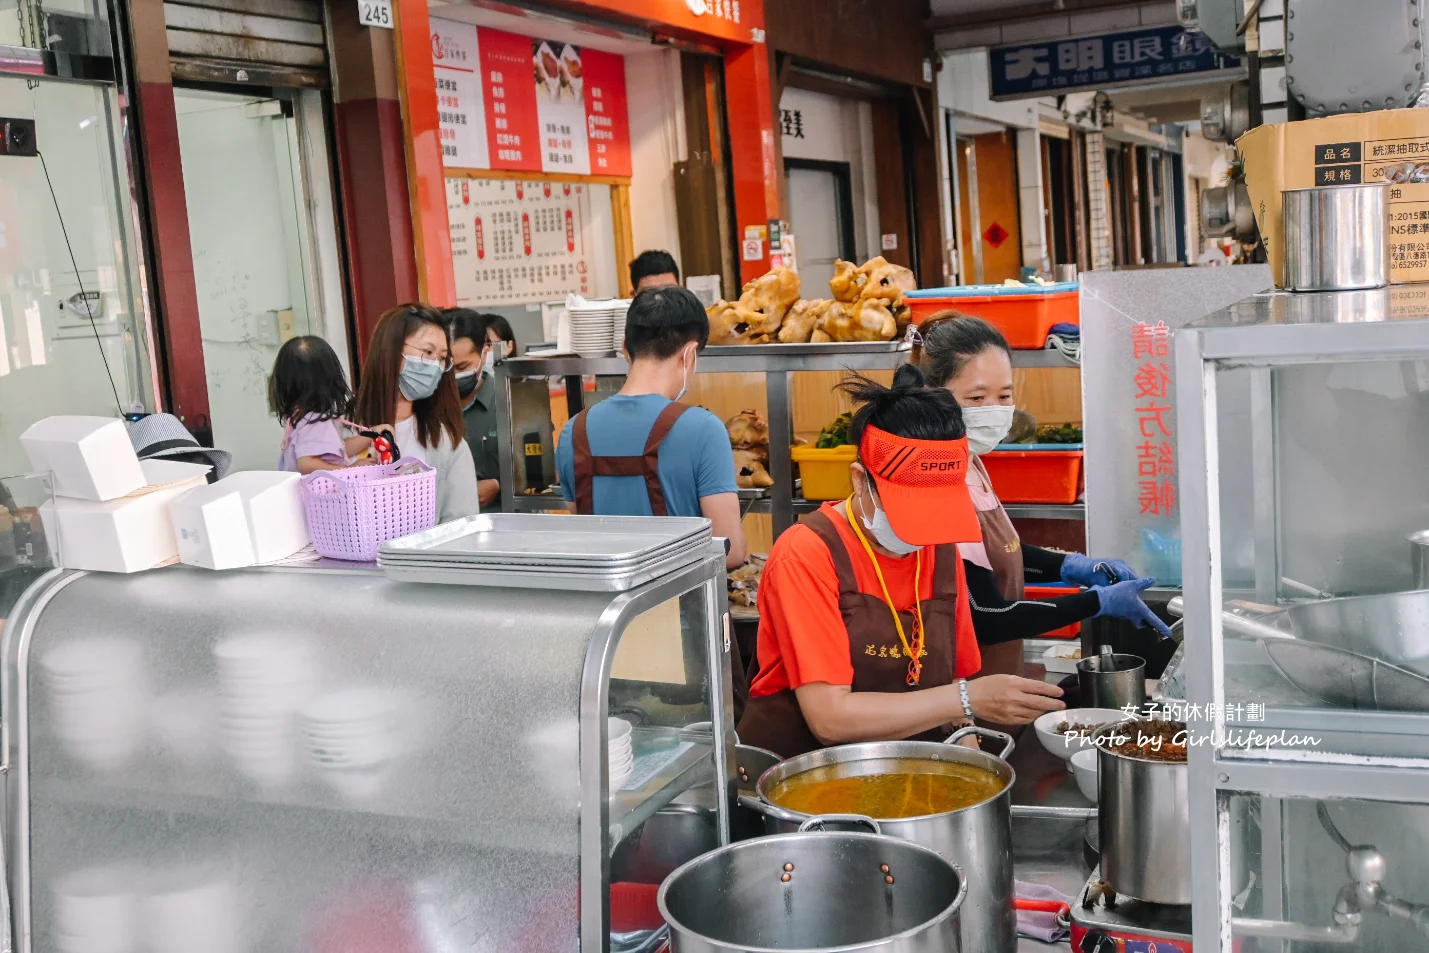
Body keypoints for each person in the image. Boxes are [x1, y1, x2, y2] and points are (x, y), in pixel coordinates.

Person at [737, 367, 1066, 758]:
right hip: (806, 783)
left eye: (938, 509)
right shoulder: (806, 554)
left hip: (910, 773)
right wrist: (966, 699)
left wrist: (969, 751)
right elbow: (830, 720)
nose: (922, 533)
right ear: (861, 480)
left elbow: (953, 676)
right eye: (910, 510)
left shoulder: (940, 545)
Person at [912, 312, 1173, 684]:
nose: (995, 409)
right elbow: (987, 613)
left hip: (998, 675)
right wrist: (1096, 603)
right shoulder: (933, 480)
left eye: (1004, 395)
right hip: (959, 686)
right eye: (976, 397)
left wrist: (1070, 566)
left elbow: (995, 553)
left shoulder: (968, 461)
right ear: (930, 395)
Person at [555, 285, 748, 569]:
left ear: (625, 348)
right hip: (679, 611)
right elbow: (728, 551)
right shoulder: (704, 429)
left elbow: (583, 529)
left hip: (605, 610)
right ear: (690, 353)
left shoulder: (573, 432)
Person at [354, 304, 481, 521]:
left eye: (442, 358)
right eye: (427, 352)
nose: (435, 365)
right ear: (392, 350)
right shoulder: (340, 429)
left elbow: (461, 525)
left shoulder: (445, 442)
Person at [268, 336, 380, 474]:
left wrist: (371, 436)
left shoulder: (300, 417)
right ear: (331, 378)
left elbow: (335, 449)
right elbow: (306, 463)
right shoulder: (315, 421)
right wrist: (350, 470)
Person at [445, 309, 503, 511]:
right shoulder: (426, 407)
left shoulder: (509, 400)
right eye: (446, 367)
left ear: (485, 351)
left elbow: (543, 475)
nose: (452, 377)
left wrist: (499, 486)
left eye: (461, 367)